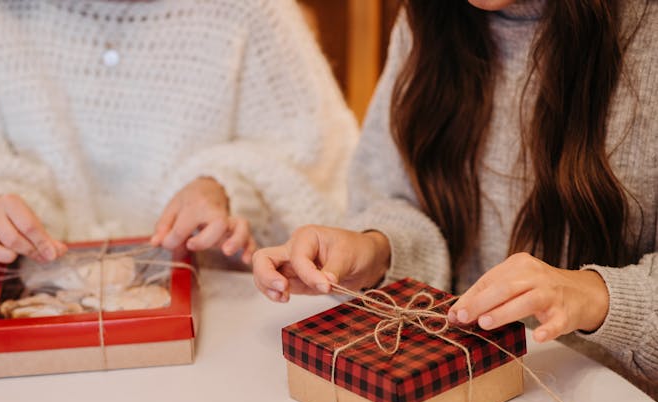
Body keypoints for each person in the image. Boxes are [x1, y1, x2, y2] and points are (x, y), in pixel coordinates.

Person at [252, 0, 658, 382]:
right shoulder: (426, 18)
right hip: (461, 390)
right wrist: (376, 249)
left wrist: (596, 297)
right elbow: (396, 197)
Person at [0, 0, 357, 269]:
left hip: (216, 315)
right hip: (16, 318)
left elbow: (322, 169)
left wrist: (225, 187)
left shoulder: (249, 12)